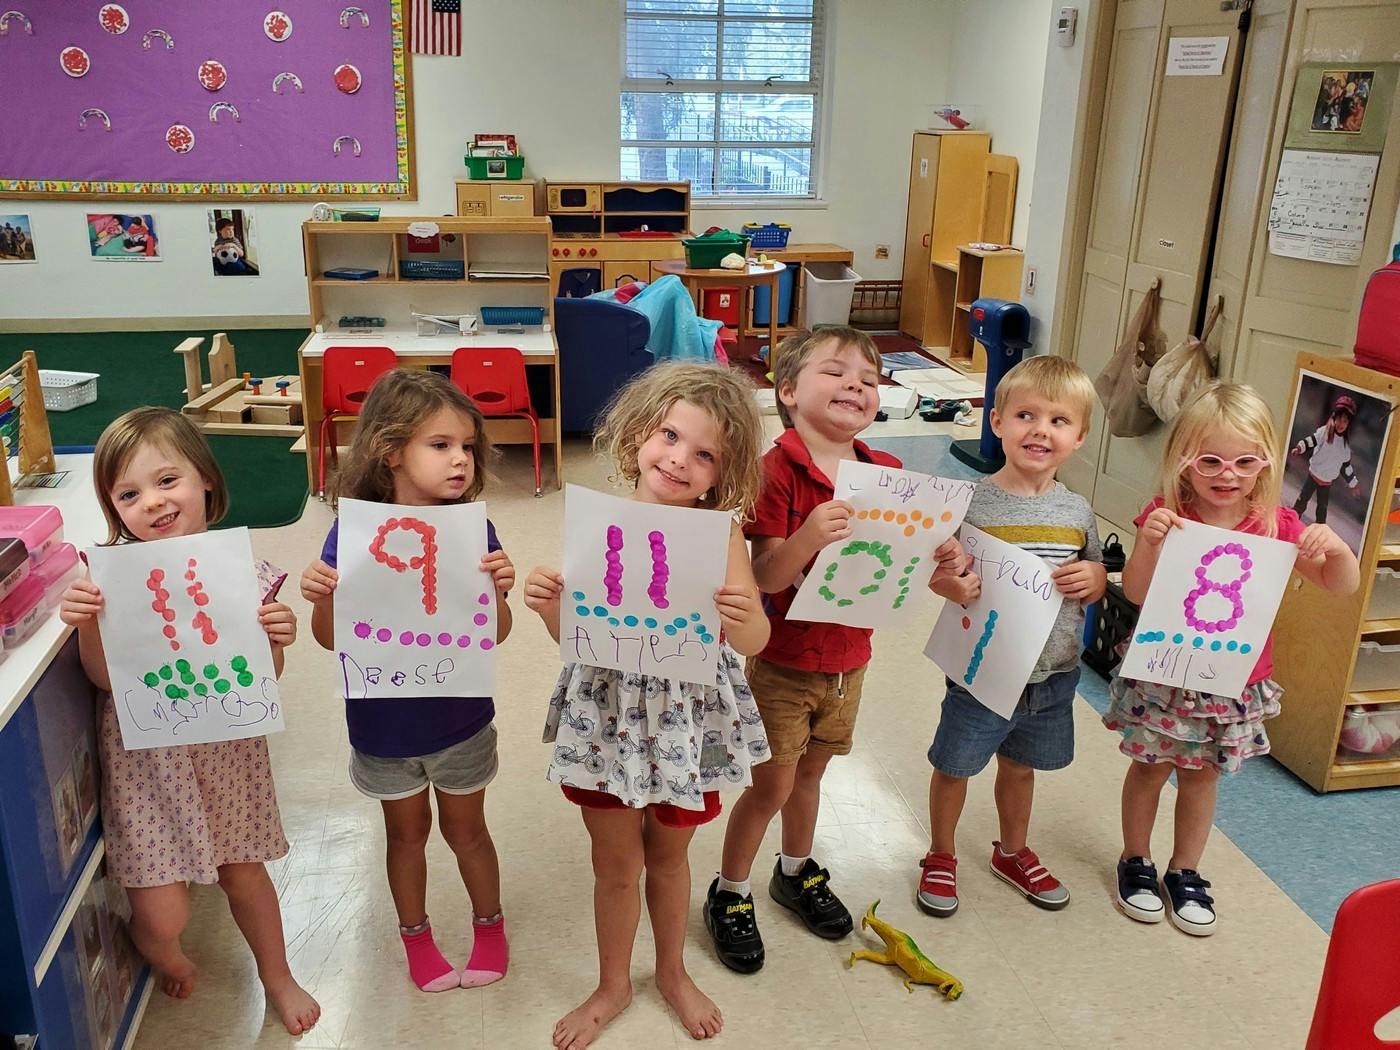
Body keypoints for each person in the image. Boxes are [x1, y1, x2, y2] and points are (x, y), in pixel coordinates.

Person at [524, 362, 771, 1049]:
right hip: (604, 716)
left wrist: (743, 611)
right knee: (614, 864)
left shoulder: (722, 534)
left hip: (686, 723)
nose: (679, 460)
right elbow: (573, 639)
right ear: (638, 434)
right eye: (670, 435)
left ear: (723, 474)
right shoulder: (601, 525)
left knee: (669, 854)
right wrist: (550, 608)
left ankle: (670, 970)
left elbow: (755, 638)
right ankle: (612, 984)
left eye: (705, 455)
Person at [702, 327, 964, 973]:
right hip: (785, 664)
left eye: (870, 379)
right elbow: (764, 577)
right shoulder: (774, 471)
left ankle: (794, 870)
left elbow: (908, 570)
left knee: (813, 776)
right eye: (836, 371)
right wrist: (809, 536)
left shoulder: (891, 476)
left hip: (851, 662)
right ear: (788, 390)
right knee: (770, 787)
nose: (856, 384)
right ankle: (730, 890)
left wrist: (945, 561)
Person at [58, 408, 320, 1035]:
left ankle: (277, 975)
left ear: (206, 480)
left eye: (166, 480)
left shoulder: (241, 574)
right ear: (113, 509)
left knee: (244, 873)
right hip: (148, 766)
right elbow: (103, 679)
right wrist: (89, 621)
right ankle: (160, 953)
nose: (152, 501)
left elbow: (262, 677)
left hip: (226, 755)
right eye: (129, 493)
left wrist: (277, 638)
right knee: (161, 909)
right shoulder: (108, 581)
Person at [1105, 382, 1359, 935]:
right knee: (1149, 769)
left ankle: (1186, 871)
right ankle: (1136, 860)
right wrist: (1148, 542)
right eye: (1211, 461)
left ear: (1266, 462)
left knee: (1202, 780)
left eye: (1246, 461)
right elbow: (1140, 591)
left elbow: (1341, 585)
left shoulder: (1278, 526)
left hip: (1231, 684)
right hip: (1166, 675)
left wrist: (1336, 547)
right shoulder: (1167, 515)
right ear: (1184, 462)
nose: (1228, 474)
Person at [300, 369, 515, 992]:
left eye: (468, 447)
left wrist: (498, 590)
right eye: (441, 445)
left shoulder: (473, 530)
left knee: (467, 829)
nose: (461, 461)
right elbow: (330, 637)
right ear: (390, 451)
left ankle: (489, 924)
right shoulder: (355, 535)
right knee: (406, 834)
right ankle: (415, 936)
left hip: (460, 719)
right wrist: (320, 598)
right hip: (382, 724)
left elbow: (494, 632)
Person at [919, 355, 1106, 919]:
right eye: (1026, 415)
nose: (1040, 431)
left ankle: (1013, 850)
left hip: (1052, 677)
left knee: (1020, 767)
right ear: (997, 421)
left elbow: (1093, 574)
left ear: (1080, 437)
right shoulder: (968, 503)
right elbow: (937, 575)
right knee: (954, 767)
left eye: (1058, 421)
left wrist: (1095, 579)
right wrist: (951, 584)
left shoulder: (1077, 510)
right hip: (981, 672)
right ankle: (941, 854)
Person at [1291, 393, 1360, 525]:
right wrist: (1300, 448)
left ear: (1348, 424)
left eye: (1345, 421)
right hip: (1313, 475)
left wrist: (1353, 483)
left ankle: (1319, 528)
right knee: (1303, 499)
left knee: (1322, 508)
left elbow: (1345, 467)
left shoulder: (1345, 446)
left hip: (1326, 482)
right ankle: (1293, 519)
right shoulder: (1325, 432)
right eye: (1339, 419)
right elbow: (1312, 440)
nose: (1341, 424)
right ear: (1334, 418)